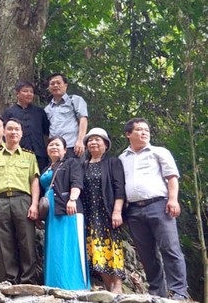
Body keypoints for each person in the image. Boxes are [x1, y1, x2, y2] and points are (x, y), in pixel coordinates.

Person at [119, 118, 188, 299]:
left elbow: (172, 177)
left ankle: (178, 292)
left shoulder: (159, 152)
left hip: (159, 205)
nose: (144, 133)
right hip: (133, 210)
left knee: (170, 248)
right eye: (139, 130)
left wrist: (173, 200)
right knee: (146, 253)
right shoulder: (122, 158)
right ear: (128, 134)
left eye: (146, 130)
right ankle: (157, 292)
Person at [0, 118, 40, 284]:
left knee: (27, 240)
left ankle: (28, 279)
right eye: (10, 129)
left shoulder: (29, 157)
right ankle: (11, 279)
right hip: (0, 201)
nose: (13, 132)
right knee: (4, 242)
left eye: (17, 129)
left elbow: (34, 181)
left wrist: (34, 204)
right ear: (4, 132)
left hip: (22, 200)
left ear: (21, 134)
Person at [40, 136, 89, 290]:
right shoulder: (46, 168)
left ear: (64, 149)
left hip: (68, 208)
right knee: (54, 245)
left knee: (70, 244)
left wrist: (73, 199)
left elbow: (77, 181)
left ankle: (75, 284)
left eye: (57, 144)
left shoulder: (71, 163)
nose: (54, 147)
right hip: (51, 212)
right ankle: (54, 283)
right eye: (51, 144)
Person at [82, 127, 126, 293]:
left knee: (112, 248)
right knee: (96, 250)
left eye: (97, 139)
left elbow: (119, 187)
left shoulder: (112, 162)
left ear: (105, 144)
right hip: (90, 213)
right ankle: (108, 286)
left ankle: (118, 285)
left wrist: (117, 211)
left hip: (107, 212)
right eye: (90, 140)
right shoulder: (84, 165)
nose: (93, 142)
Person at [3, 81, 50, 171]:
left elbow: (47, 132)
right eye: (25, 91)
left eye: (31, 92)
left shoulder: (39, 112)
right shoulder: (9, 112)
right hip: (18, 153)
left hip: (39, 154)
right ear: (17, 93)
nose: (29, 94)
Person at [45, 73, 88, 159]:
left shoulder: (75, 100)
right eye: (52, 84)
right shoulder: (47, 109)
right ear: (49, 88)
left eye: (58, 83)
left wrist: (80, 141)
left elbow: (83, 119)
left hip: (73, 147)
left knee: (75, 172)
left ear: (65, 85)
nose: (55, 85)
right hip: (55, 150)